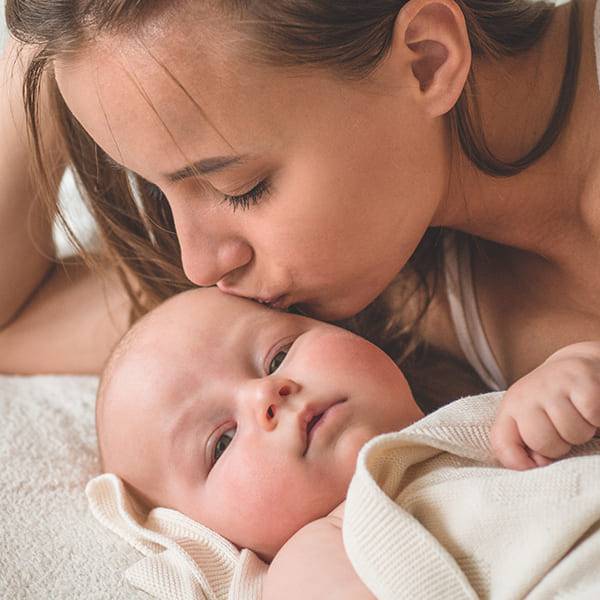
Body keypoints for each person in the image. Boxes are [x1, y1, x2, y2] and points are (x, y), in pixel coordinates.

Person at [2, 0, 600, 400]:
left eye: (239, 188)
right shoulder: (397, 285)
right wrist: (65, 32)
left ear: (427, 60)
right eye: (159, 188)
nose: (200, 267)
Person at [96, 286, 600, 598]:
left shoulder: (494, 414)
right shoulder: (314, 560)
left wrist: (570, 374)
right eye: (222, 442)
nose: (266, 394)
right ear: (205, 537)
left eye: (277, 356)